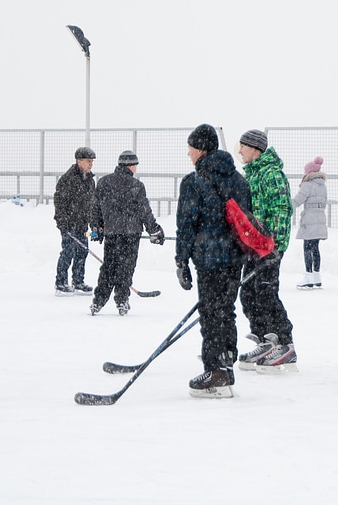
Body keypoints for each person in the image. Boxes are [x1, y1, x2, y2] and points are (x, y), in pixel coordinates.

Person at [176, 124, 252, 399]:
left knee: (210, 314)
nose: (188, 153)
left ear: (202, 149)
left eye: (191, 148)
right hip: (234, 258)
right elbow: (245, 221)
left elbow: (186, 224)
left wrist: (181, 261)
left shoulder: (193, 182)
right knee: (225, 310)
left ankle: (216, 372)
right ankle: (225, 360)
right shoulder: (240, 181)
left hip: (209, 259)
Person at [236, 129, 298, 373]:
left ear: (255, 148)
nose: (240, 151)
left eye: (242, 146)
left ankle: (285, 343)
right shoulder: (252, 175)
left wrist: (276, 246)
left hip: (268, 248)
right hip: (253, 247)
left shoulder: (271, 174)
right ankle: (265, 339)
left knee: (266, 293)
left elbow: (282, 209)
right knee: (248, 293)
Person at [89, 151, 165, 316]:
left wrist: (97, 228)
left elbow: (95, 208)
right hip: (130, 234)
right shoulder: (136, 186)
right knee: (126, 267)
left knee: (108, 267)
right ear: (131, 165)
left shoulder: (104, 182)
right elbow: (145, 211)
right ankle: (122, 300)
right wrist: (155, 230)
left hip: (112, 233)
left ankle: (98, 301)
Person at [53, 146, 96, 297]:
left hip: (82, 224)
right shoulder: (68, 179)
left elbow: (92, 204)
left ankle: (78, 281)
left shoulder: (90, 181)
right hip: (69, 224)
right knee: (68, 252)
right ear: (79, 161)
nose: (91, 164)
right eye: (88, 161)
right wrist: (62, 223)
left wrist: (94, 225)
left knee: (82, 252)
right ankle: (61, 283)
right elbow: (60, 202)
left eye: (92, 161)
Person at [293, 156, 328, 289]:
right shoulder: (322, 185)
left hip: (310, 218)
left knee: (307, 247)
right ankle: (317, 277)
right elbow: (324, 202)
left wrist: (285, 203)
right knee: (315, 248)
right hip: (320, 218)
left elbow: (297, 201)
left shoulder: (307, 185)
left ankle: (308, 276)